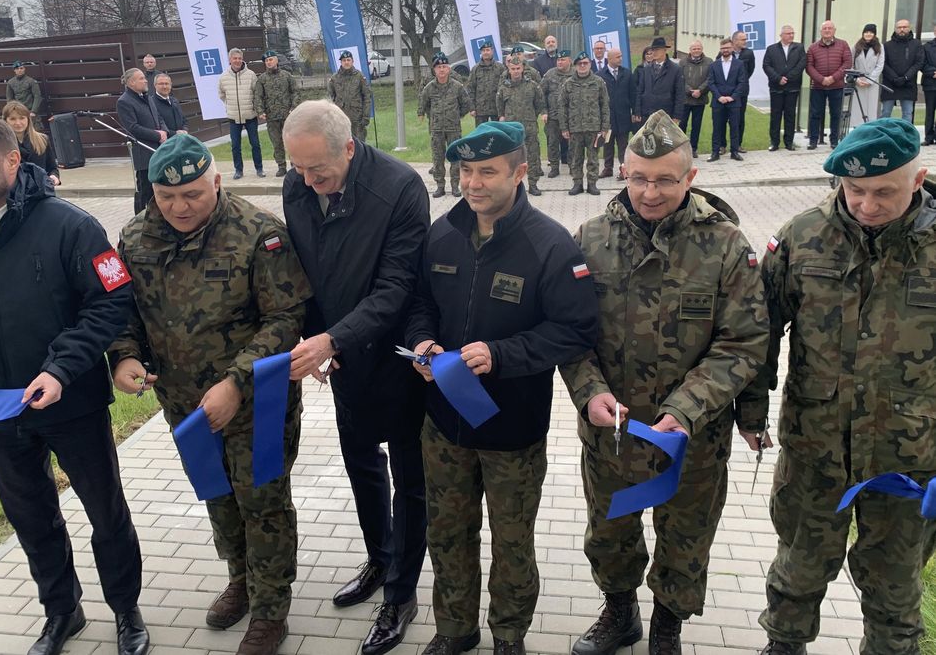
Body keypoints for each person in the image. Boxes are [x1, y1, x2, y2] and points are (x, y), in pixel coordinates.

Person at [0, 114, 149, 655]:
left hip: (71, 401)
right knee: (32, 517)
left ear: (12, 161)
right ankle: (62, 612)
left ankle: (126, 610)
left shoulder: (72, 226)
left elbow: (112, 301)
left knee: (106, 514)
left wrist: (60, 368)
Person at [564, 111, 768, 655]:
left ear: (690, 178)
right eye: (638, 178)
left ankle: (667, 629)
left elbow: (744, 341)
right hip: (613, 433)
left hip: (691, 439)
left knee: (685, 542)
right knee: (609, 535)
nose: (649, 192)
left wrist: (690, 405)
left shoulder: (724, 245)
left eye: (664, 180)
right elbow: (569, 333)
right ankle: (621, 613)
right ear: (623, 173)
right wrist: (589, 392)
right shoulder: (590, 239)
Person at [109, 134, 310, 655]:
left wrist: (235, 382)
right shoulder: (134, 238)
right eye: (167, 196)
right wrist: (124, 356)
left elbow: (287, 318)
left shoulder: (259, 234)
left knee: (261, 499)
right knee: (218, 494)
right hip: (182, 404)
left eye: (193, 194)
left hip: (254, 401)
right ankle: (241, 578)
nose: (179, 207)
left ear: (216, 181)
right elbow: (121, 314)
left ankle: (270, 610)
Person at [405, 120, 598, 655]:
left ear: (520, 172)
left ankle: (509, 635)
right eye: (466, 171)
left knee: (512, 542)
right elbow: (419, 303)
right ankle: (455, 629)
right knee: (447, 534)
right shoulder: (441, 234)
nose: (473, 183)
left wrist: (501, 355)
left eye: (487, 171)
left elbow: (574, 328)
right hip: (443, 424)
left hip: (511, 427)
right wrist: (421, 342)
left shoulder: (551, 246)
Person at [757, 119, 936, 655]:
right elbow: (758, 327)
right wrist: (750, 412)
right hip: (816, 449)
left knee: (895, 592)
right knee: (796, 574)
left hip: (909, 458)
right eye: (854, 189)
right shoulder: (802, 235)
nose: (866, 204)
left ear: (919, 179)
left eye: (884, 191)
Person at [282, 100, 430, 655]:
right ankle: (379, 557)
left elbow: (397, 287)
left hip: (397, 354)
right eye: (297, 167)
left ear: (349, 147)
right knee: (361, 460)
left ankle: (401, 592)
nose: (307, 180)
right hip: (343, 358)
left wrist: (333, 337)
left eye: (317, 169)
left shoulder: (399, 188)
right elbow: (308, 269)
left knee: (410, 479)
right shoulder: (299, 185)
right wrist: (318, 338)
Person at [419, 52, 471, 198]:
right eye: (438, 67)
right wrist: (432, 115)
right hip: (437, 129)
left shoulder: (457, 87)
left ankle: (455, 186)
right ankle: (440, 186)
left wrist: (457, 115)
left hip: (453, 128)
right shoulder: (429, 88)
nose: (441, 70)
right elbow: (423, 104)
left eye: (444, 66)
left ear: (448, 69)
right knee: (438, 158)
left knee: (455, 157)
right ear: (434, 70)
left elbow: (466, 104)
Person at [116, 68, 166, 214]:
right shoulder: (124, 101)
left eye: (145, 78)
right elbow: (133, 128)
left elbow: (159, 118)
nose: (145, 81)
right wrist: (157, 135)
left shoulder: (147, 97)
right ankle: (142, 218)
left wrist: (164, 132)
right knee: (145, 189)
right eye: (141, 78)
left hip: (158, 149)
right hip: (143, 152)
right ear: (131, 82)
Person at [561, 51, 610, 196]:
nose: (582, 66)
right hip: (575, 128)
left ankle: (592, 184)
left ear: (590, 64)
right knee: (576, 158)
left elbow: (605, 105)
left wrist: (605, 127)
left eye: (585, 63)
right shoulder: (568, 84)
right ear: (575, 66)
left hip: (594, 128)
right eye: (580, 64)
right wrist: (564, 127)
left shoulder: (598, 82)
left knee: (593, 158)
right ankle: (577, 184)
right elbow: (562, 106)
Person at [496, 57, 545, 196]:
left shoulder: (533, 85)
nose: (516, 71)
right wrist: (503, 118)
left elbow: (539, 103)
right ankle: (513, 185)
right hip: (511, 129)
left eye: (518, 69)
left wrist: (531, 116)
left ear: (523, 69)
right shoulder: (503, 88)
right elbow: (500, 107)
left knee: (533, 156)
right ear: (509, 69)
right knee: (512, 159)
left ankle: (533, 184)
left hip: (529, 127)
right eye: (513, 69)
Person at [805, 20, 852, 149]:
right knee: (815, 114)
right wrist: (821, 79)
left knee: (836, 114)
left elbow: (847, 64)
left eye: (829, 28)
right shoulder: (813, 47)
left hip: (836, 86)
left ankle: (834, 141)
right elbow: (809, 66)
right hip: (818, 87)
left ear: (834, 31)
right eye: (824, 28)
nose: (827, 30)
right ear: (821, 31)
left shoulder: (843, 45)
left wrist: (833, 78)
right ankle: (813, 141)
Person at [219, 48, 265, 180]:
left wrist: (255, 108)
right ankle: (238, 170)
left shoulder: (250, 75)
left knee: (255, 144)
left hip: (250, 115)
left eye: (239, 58)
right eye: (235, 58)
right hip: (234, 117)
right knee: (235, 146)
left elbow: (257, 93)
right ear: (230, 60)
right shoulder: (223, 77)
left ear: (242, 59)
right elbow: (221, 95)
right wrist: (230, 105)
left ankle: (259, 168)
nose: (237, 61)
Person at [253, 50, 299, 177]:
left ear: (276, 60)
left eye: (271, 59)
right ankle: (281, 166)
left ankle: (295, 165)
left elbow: (295, 92)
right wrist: (260, 111)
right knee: (276, 143)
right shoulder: (262, 79)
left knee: (291, 142)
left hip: (287, 116)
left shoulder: (286, 76)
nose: (269, 62)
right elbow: (258, 96)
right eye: (266, 60)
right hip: (272, 116)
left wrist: (293, 107)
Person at [763, 25, 807, 151]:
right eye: (788, 33)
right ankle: (774, 142)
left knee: (790, 115)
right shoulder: (772, 49)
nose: (791, 36)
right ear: (781, 35)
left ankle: (789, 142)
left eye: (793, 33)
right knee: (775, 115)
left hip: (792, 87)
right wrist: (778, 78)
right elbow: (766, 66)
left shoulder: (799, 48)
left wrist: (788, 77)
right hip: (776, 87)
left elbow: (801, 64)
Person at [598, 48, 636, 180]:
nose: (621, 59)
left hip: (623, 116)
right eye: (618, 57)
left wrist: (635, 111)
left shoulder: (627, 74)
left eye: (621, 56)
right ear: (610, 59)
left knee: (623, 145)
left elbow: (633, 94)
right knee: (607, 145)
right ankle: (608, 168)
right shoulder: (600, 75)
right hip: (607, 119)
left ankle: (623, 169)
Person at [707, 38, 747, 162]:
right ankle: (715, 152)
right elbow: (711, 83)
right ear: (720, 49)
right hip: (718, 102)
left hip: (734, 102)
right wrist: (719, 96)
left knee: (734, 127)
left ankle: (734, 152)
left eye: (727, 48)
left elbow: (742, 83)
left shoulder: (739, 64)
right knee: (717, 127)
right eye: (723, 48)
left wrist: (732, 97)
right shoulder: (714, 65)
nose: (725, 50)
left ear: (732, 48)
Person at [3, 101, 60, 186]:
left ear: (28, 119)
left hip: (41, 191)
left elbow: (52, 168)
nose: (18, 123)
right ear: (5, 121)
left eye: (22, 118)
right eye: (12, 119)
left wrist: (54, 177)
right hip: (13, 193)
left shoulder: (43, 139)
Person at [881, 19, 923, 121]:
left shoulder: (916, 44)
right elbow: (883, 63)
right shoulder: (887, 45)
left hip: (908, 84)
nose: (902, 30)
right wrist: (894, 78)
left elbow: (919, 63)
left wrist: (905, 77)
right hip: (890, 83)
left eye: (905, 27)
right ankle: (884, 135)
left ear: (909, 28)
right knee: (885, 113)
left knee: (907, 113)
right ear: (895, 29)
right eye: (899, 27)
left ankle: (906, 136)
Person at [539, 49, 573, 178]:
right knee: (552, 143)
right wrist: (544, 111)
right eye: (558, 60)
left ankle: (572, 166)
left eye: (563, 60)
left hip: (571, 117)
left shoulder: (575, 74)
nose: (560, 62)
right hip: (553, 116)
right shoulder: (550, 74)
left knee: (572, 143)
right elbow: (541, 94)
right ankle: (554, 167)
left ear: (569, 60)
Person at [636, 37, 684, 121]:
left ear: (665, 50)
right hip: (647, 113)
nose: (654, 52)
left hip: (665, 113)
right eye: (653, 50)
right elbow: (640, 90)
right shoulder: (646, 69)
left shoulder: (675, 69)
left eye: (657, 49)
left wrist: (676, 116)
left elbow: (679, 94)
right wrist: (638, 110)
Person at [678, 40, 712, 158]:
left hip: (700, 100)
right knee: (682, 125)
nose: (696, 50)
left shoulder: (709, 62)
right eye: (694, 48)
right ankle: (682, 148)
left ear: (702, 49)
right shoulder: (682, 62)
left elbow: (710, 78)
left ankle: (693, 148)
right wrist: (689, 90)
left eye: (698, 48)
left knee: (696, 126)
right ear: (690, 50)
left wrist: (700, 90)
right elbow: (680, 79)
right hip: (685, 99)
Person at [329, 50, 372, 141]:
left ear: (352, 61)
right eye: (344, 60)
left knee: (359, 144)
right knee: (341, 143)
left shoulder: (359, 76)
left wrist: (366, 116)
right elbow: (331, 97)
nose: (346, 62)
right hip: (340, 116)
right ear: (341, 62)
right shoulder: (334, 78)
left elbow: (367, 97)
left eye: (348, 60)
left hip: (357, 117)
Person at [850, 24, 885, 128]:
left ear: (874, 34)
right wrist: (856, 80)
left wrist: (870, 81)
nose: (868, 34)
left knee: (871, 107)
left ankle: (870, 128)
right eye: (866, 32)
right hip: (859, 81)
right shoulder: (856, 47)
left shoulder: (880, 47)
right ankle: (858, 128)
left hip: (872, 81)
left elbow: (880, 65)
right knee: (858, 108)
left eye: (871, 32)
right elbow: (850, 64)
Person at [466, 40, 504, 127]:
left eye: (488, 50)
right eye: (483, 51)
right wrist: (472, 108)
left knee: (499, 134)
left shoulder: (500, 68)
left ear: (492, 51)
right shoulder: (475, 69)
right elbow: (470, 88)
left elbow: (505, 88)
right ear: (481, 52)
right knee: (481, 135)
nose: (486, 52)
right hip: (480, 110)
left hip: (497, 109)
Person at [731, 30, 756, 149]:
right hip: (727, 91)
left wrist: (741, 83)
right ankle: (722, 145)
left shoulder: (749, 54)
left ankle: (738, 144)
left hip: (742, 91)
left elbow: (750, 71)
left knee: (740, 118)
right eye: (743, 39)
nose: (745, 41)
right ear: (735, 41)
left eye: (745, 39)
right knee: (724, 119)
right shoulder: (725, 53)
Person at [6, 60, 44, 126]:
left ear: (24, 69)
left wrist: (33, 111)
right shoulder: (11, 82)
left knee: (36, 131)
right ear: (14, 70)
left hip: (30, 111)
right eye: (17, 69)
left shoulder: (31, 81)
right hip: (18, 111)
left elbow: (37, 96)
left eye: (21, 68)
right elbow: (9, 98)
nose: (19, 70)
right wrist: (11, 110)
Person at [150, 73, 188, 137]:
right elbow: (155, 126)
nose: (164, 86)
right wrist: (174, 133)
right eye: (161, 84)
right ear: (155, 85)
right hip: (166, 142)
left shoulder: (174, 101)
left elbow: (184, 119)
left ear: (171, 85)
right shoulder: (151, 103)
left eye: (167, 84)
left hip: (181, 139)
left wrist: (185, 130)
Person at [922, 24, 936, 145]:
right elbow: (922, 63)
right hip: (930, 84)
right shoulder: (927, 47)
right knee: (930, 111)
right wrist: (933, 72)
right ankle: (929, 137)